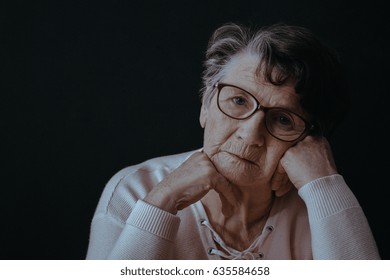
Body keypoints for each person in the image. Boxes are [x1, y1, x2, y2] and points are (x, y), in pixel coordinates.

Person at [86, 22, 380, 260]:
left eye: (282, 119)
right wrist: (160, 204)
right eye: (238, 100)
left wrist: (324, 184)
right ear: (205, 105)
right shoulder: (134, 190)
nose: (250, 134)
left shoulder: (320, 210)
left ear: (308, 141)